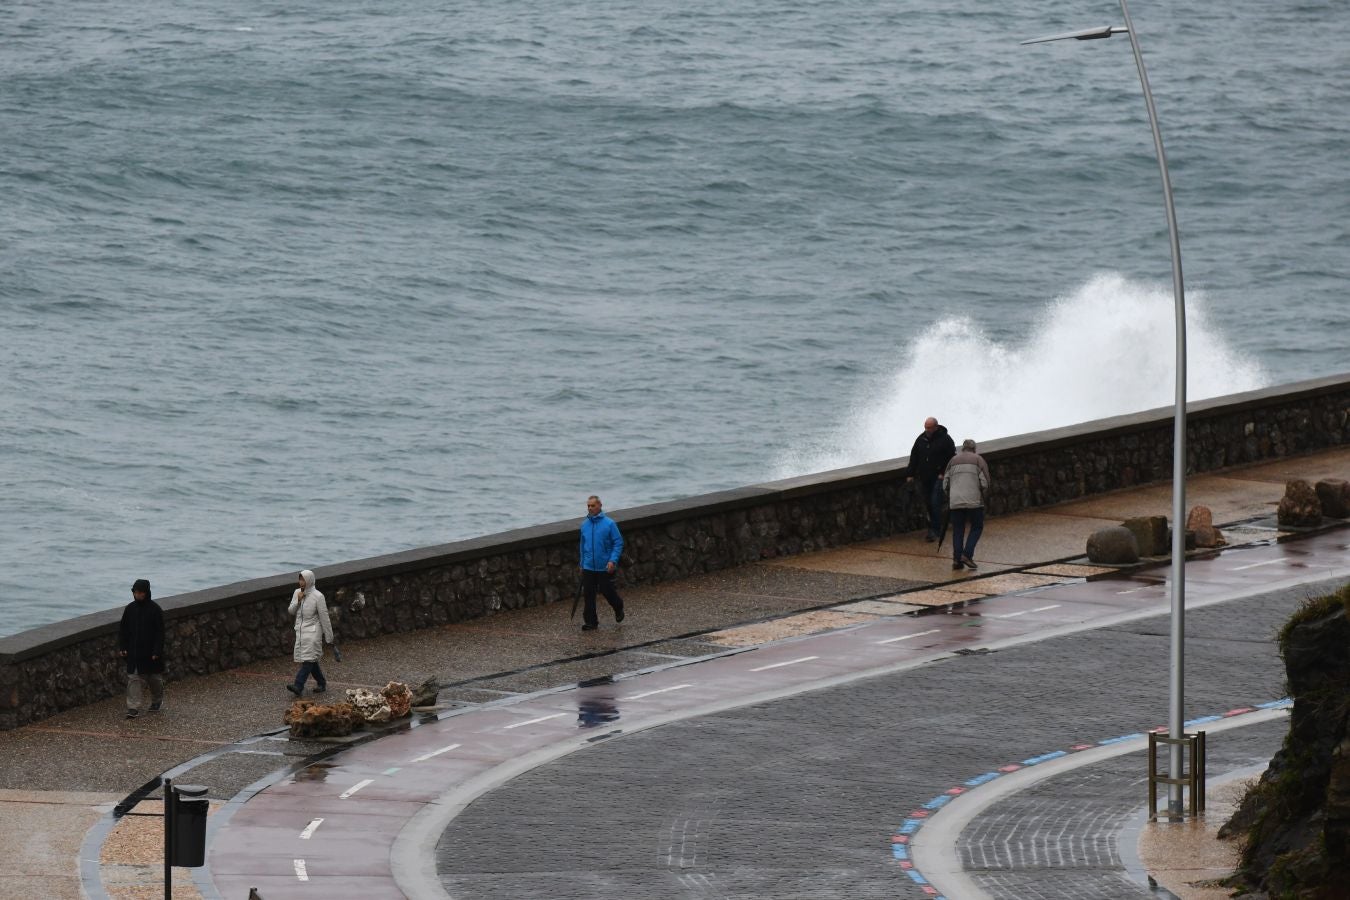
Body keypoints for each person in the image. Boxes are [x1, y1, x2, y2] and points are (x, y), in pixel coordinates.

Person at [119, 578, 165, 719]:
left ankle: (157, 701)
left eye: (140, 592)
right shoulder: (130, 609)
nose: (137, 595)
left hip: (151, 653)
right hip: (134, 653)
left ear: (146, 593)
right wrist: (123, 647)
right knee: (134, 678)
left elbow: (160, 632)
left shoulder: (155, 610)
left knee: (154, 679)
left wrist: (157, 651)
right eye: (135, 592)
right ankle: (133, 708)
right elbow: (123, 630)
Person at [578, 495, 625, 632]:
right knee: (588, 594)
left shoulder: (609, 524)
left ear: (600, 506)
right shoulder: (584, 525)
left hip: (605, 566)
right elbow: (582, 545)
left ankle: (618, 606)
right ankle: (591, 622)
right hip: (588, 566)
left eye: (593, 505)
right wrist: (582, 563)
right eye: (588, 506)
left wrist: (612, 560)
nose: (590, 508)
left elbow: (618, 543)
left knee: (607, 591)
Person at [906, 417, 956, 541]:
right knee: (928, 503)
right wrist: (910, 474)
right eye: (925, 427)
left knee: (935, 502)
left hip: (939, 477)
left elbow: (952, 457)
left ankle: (935, 530)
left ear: (936, 427)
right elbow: (914, 457)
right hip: (924, 477)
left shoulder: (945, 439)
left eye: (929, 428)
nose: (927, 430)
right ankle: (932, 528)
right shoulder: (921, 439)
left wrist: (943, 472)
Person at [944, 438, 991, 570]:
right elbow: (985, 483)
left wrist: (951, 497)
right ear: (974, 449)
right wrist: (983, 497)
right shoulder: (978, 460)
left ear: (963, 448)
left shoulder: (952, 461)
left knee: (958, 530)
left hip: (955, 501)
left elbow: (945, 483)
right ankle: (967, 555)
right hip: (974, 502)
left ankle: (957, 560)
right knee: (977, 527)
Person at [286, 570, 333, 696]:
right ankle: (322, 683)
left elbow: (324, 617)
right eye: (300, 579)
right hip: (301, 632)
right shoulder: (297, 592)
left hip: (313, 632)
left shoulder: (318, 596)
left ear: (309, 580)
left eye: (303, 579)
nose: (301, 582)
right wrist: (298, 600)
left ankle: (298, 685)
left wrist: (329, 636)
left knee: (308, 661)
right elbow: (291, 611)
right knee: (310, 660)